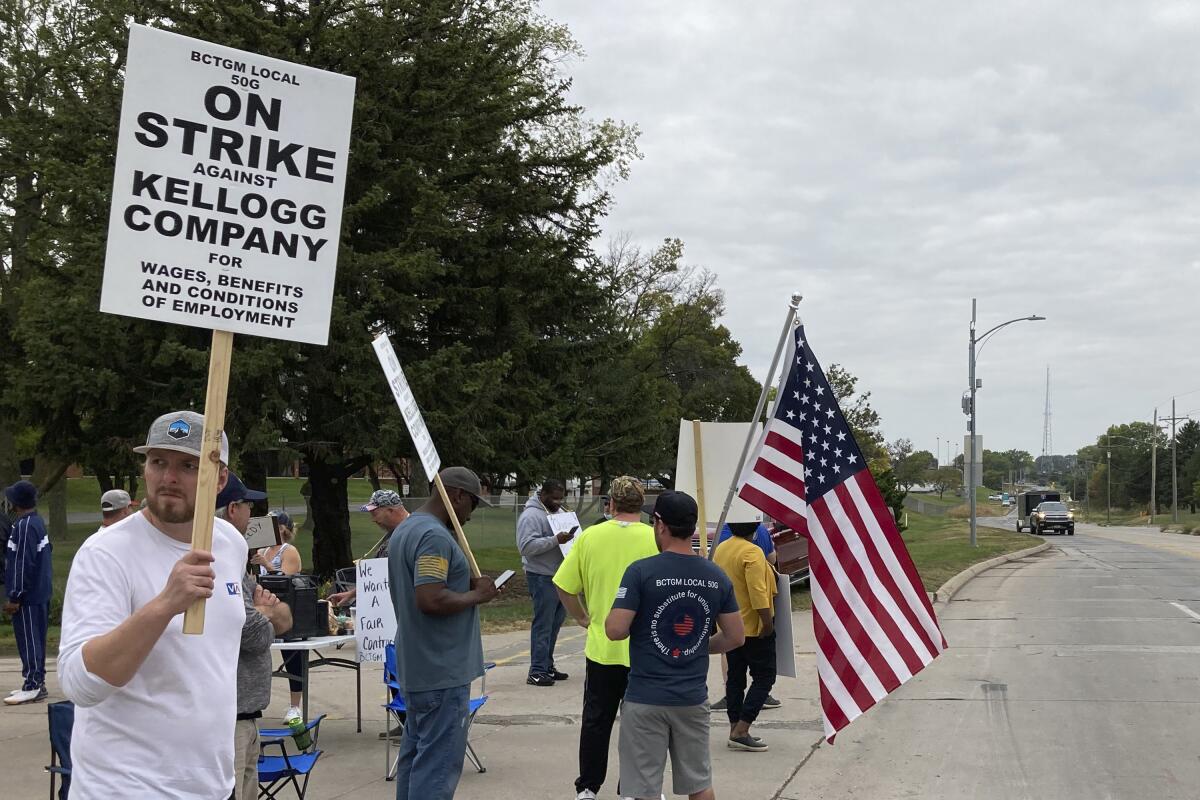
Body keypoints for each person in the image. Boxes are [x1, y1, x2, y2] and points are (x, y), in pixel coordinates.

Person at [58, 411, 247, 799]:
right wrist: (164, 605)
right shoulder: (106, 553)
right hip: (125, 787)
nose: (169, 477)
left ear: (221, 479)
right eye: (158, 462)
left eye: (188, 465)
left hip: (213, 785)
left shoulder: (230, 544)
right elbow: (80, 685)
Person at [605, 490, 744, 800]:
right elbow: (736, 636)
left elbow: (615, 630)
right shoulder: (716, 576)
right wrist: (698, 645)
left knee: (643, 789)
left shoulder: (640, 572)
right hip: (692, 698)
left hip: (645, 696)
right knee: (699, 784)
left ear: (660, 525)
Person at [388, 466, 500, 800]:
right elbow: (430, 598)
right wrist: (477, 596)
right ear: (456, 496)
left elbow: (429, 585)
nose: (470, 514)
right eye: (473, 504)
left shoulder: (408, 528)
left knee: (415, 760)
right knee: (437, 769)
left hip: (420, 665)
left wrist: (466, 586)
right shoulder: (433, 536)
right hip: (441, 669)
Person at [553, 476, 658, 800]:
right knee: (640, 724)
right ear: (642, 505)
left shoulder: (590, 538)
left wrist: (582, 617)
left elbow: (563, 584)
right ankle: (632, 787)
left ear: (609, 503)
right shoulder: (655, 538)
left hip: (603, 647)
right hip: (646, 649)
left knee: (597, 720)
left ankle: (588, 786)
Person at [214, 475, 294, 800]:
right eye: (249, 505)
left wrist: (266, 612)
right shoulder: (221, 563)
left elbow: (286, 618)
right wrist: (264, 614)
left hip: (248, 716)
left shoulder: (238, 562)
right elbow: (254, 635)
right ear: (234, 509)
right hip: (228, 719)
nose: (252, 513)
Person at [713, 520, 779, 751]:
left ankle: (734, 727)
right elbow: (758, 591)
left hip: (729, 626)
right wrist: (767, 623)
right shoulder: (752, 552)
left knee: (735, 678)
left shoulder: (722, 548)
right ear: (755, 529)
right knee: (765, 676)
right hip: (753, 627)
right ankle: (742, 729)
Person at [517, 478, 574, 686]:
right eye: (554, 498)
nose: (558, 502)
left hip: (560, 576)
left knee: (555, 623)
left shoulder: (559, 513)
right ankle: (537, 671)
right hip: (541, 576)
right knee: (543, 624)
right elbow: (525, 547)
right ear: (543, 494)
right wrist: (555, 540)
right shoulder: (531, 516)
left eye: (561, 498)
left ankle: (547, 665)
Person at [3, 480, 52, 705]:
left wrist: (15, 596)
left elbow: (23, 563)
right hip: (39, 593)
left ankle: (33, 684)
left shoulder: (24, 526)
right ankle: (34, 682)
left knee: (30, 639)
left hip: (29, 596)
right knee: (35, 639)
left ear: (17, 503)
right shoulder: (35, 522)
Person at [326, 488, 409, 608]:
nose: (373, 520)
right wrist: (351, 594)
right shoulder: (394, 532)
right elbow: (379, 578)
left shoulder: (411, 533)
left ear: (390, 510)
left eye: (375, 514)